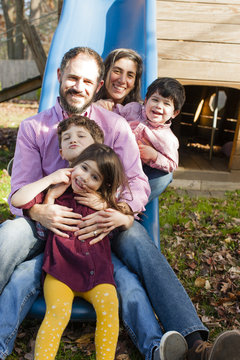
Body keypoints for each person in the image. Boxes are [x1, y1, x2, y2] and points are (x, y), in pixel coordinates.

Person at [0, 46, 240, 360]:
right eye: (72, 77)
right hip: (48, 228)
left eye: (88, 81)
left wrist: (120, 213)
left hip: (102, 228)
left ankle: (195, 344)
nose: (79, 86)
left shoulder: (114, 127)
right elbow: (19, 190)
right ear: (59, 77)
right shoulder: (35, 128)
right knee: (11, 232)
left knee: (138, 243)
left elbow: (138, 183)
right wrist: (38, 210)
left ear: (99, 85)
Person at [12, 138, 136, 359]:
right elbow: (19, 200)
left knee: (109, 310)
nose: (85, 178)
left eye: (95, 177)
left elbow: (128, 220)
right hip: (60, 274)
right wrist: (51, 186)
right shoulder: (56, 196)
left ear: (103, 185)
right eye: (84, 168)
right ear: (74, 164)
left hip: (98, 276)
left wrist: (119, 215)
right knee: (57, 313)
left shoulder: (103, 205)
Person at [95, 49, 174, 201]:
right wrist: (95, 111)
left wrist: (153, 154)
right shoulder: (90, 106)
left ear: (135, 81)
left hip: (128, 178)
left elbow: (162, 139)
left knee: (165, 175)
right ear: (105, 73)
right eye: (117, 71)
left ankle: (125, 204)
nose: (122, 80)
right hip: (98, 174)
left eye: (130, 75)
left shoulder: (140, 113)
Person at [103, 77, 185, 195]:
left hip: (130, 171)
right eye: (155, 100)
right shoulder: (133, 109)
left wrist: (154, 155)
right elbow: (116, 114)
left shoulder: (168, 139)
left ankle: (121, 203)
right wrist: (106, 108)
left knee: (123, 187)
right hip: (109, 155)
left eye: (166, 103)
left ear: (175, 113)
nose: (159, 106)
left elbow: (172, 163)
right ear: (146, 100)